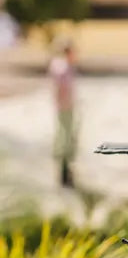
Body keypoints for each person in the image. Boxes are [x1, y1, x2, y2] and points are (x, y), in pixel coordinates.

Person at [48, 39, 78, 187]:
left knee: (65, 137)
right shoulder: (63, 67)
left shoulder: (59, 65)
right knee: (65, 139)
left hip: (63, 107)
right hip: (65, 107)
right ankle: (64, 172)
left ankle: (65, 171)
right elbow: (62, 88)